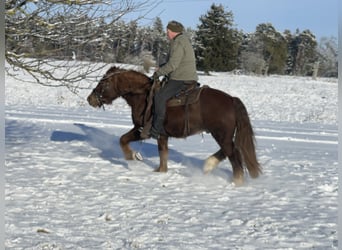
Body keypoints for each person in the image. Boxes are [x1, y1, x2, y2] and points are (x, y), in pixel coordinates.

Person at [148, 20, 198, 139]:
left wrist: (157, 74)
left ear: (172, 31)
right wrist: (162, 66)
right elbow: (174, 62)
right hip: (185, 75)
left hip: (181, 78)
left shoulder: (178, 43)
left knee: (159, 96)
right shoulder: (182, 40)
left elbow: (173, 65)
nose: (166, 33)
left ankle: (157, 128)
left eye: (167, 31)